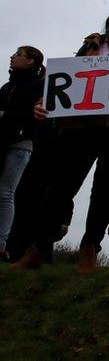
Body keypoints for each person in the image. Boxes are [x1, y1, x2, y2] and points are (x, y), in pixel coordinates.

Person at [14, 0, 109, 273]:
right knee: (64, 187)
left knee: (104, 188)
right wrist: (45, 103)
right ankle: (38, 247)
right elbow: (69, 85)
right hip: (83, 129)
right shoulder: (91, 46)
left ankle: (89, 249)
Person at [0, 46, 45, 260]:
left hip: (20, 142)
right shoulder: (8, 86)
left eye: (18, 55)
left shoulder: (39, 85)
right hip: (3, 139)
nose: (12, 57)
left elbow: (39, 112)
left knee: (6, 192)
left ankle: (1, 244)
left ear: (30, 62)